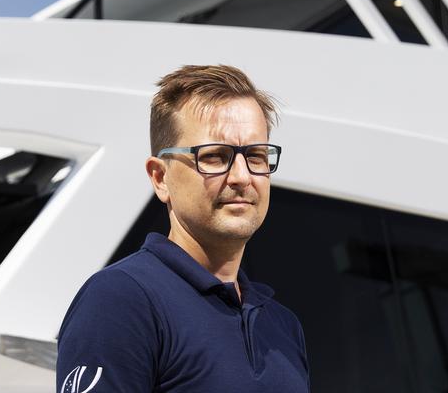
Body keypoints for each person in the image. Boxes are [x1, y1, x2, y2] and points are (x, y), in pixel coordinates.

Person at [56, 64, 310, 392]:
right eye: (215, 157)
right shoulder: (121, 300)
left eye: (256, 156)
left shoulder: (283, 326)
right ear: (160, 178)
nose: (241, 177)